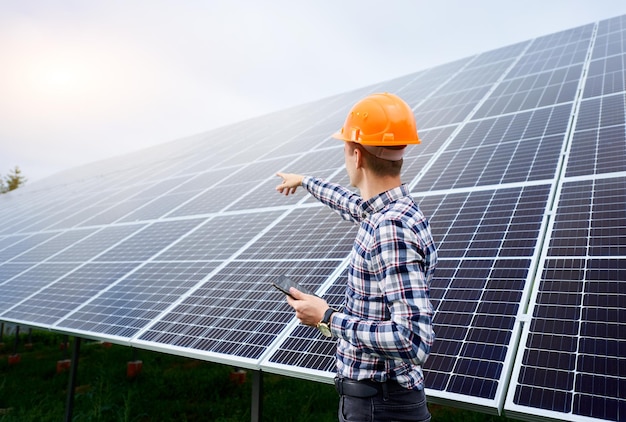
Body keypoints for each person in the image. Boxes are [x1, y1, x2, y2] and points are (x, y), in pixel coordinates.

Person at [275, 92, 437, 422]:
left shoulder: (390, 229)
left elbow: (414, 340)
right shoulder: (388, 211)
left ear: (357, 155)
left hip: (381, 406)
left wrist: (328, 318)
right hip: (379, 401)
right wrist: (306, 181)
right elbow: (349, 202)